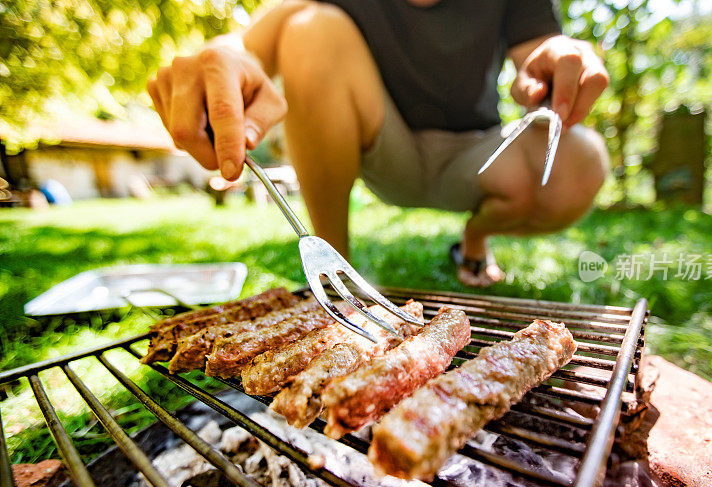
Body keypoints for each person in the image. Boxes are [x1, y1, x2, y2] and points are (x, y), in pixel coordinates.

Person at [148, 0, 609, 287]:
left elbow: (541, 56)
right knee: (310, 27)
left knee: (583, 160)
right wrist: (221, 61)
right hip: (388, 150)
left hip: (478, 155)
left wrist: (562, 59)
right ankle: (336, 274)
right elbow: (250, 44)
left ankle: (475, 239)